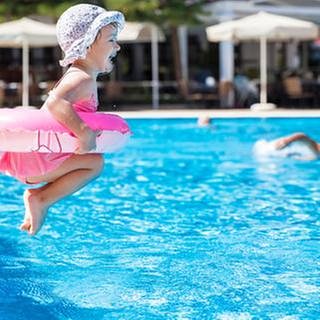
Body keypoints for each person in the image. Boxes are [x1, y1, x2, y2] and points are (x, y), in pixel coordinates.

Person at [0, 4, 125, 235]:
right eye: (111, 40)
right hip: (38, 161)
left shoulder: (81, 76)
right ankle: (41, 198)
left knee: (94, 161)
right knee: (95, 163)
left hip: (36, 161)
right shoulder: (81, 78)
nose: (117, 46)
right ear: (87, 44)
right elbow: (57, 102)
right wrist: (83, 132)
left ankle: (39, 197)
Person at [253, 132, 320, 160]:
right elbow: (302, 135)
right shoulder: (317, 149)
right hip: (277, 148)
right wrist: (286, 141)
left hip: (285, 152)